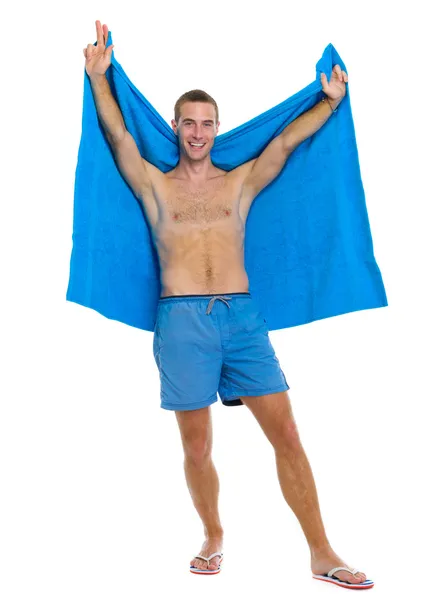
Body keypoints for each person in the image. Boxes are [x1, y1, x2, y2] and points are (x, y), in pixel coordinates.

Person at [83, 20, 373, 589]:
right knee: (198, 446)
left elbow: (286, 140)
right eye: (188, 124)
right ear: (175, 126)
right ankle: (213, 535)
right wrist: (98, 78)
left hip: (242, 321)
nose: (198, 133)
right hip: (181, 322)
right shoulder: (156, 186)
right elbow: (118, 138)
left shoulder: (239, 182)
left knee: (287, 433)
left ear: (218, 128)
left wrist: (330, 103)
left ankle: (321, 552)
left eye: (207, 124)